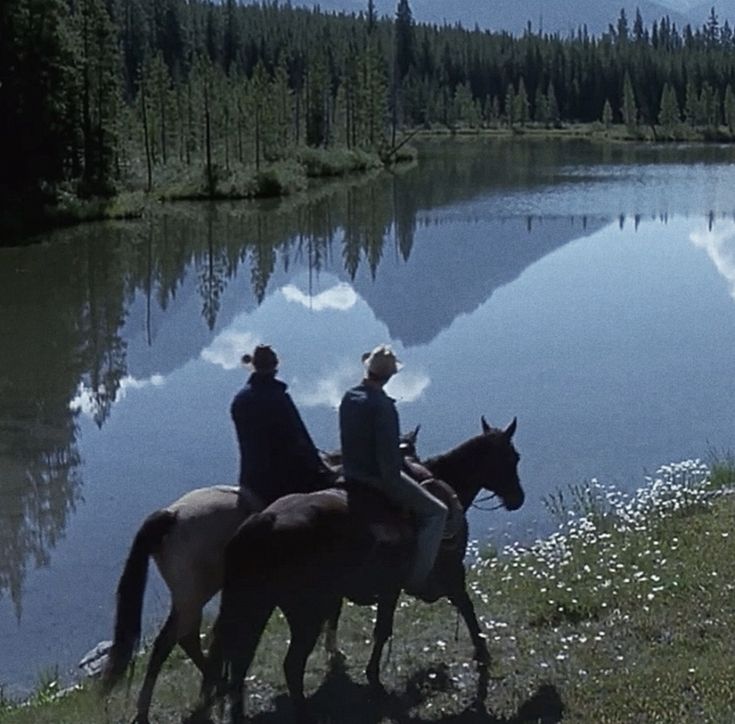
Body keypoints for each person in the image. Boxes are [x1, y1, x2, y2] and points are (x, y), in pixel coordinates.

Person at [339, 344, 448, 593]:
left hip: (350, 473)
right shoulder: (383, 406)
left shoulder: (348, 397)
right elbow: (388, 466)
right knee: (437, 513)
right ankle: (418, 580)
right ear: (389, 377)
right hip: (377, 478)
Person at [231, 344, 332, 509]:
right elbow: (299, 439)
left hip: (250, 479)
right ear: (275, 366)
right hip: (280, 481)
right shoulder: (278, 398)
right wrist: (320, 467)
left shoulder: (240, 399)